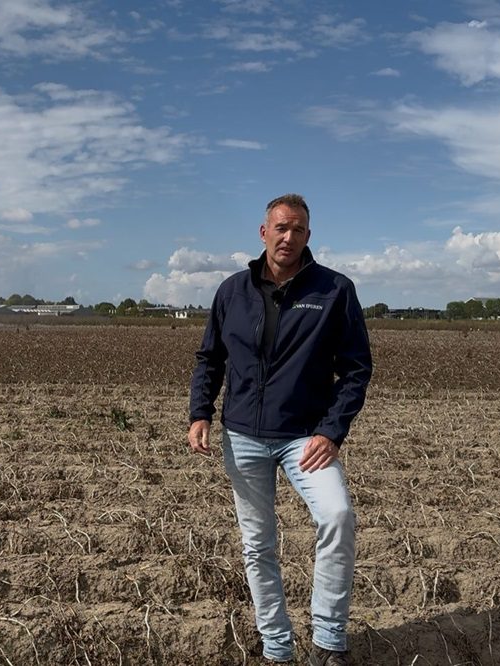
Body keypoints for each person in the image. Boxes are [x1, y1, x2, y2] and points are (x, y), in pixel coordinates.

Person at [187, 193, 373, 665]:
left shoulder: (334, 290)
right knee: (258, 545)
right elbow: (210, 358)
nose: (288, 237)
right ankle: (277, 648)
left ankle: (328, 643)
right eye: (281, 228)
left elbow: (356, 369)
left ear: (308, 236)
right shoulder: (232, 291)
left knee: (337, 515)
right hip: (243, 436)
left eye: (298, 229)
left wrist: (331, 432)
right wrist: (199, 412)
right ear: (264, 232)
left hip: (305, 437)